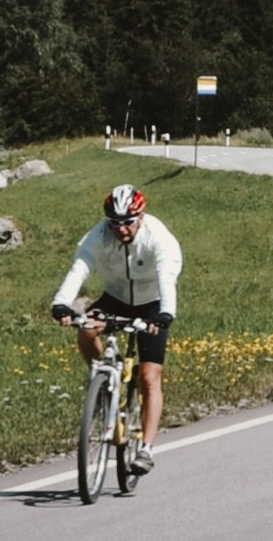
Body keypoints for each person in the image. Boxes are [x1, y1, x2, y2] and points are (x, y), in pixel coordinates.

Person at [51, 183, 182, 468]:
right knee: (87, 328)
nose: (121, 229)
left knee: (149, 377)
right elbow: (80, 268)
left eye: (128, 223)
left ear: (141, 217)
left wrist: (165, 314)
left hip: (153, 303)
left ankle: (146, 449)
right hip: (116, 298)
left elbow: (166, 277)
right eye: (115, 223)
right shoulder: (98, 235)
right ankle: (102, 383)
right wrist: (61, 302)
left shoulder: (158, 238)